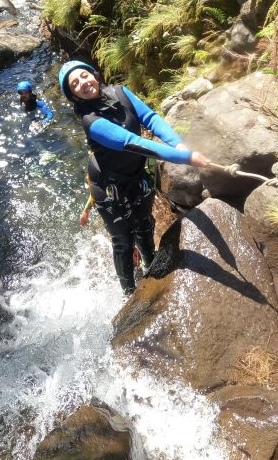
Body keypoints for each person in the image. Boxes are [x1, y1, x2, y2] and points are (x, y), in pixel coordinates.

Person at [58, 60, 209, 295]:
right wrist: (185, 157)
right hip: (108, 188)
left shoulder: (121, 92)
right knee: (123, 242)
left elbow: (150, 118)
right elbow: (133, 143)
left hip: (137, 176)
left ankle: (152, 266)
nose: (83, 83)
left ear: (94, 76)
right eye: (75, 84)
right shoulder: (91, 121)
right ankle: (128, 293)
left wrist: (178, 144)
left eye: (84, 76)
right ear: (74, 96)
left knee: (145, 224)